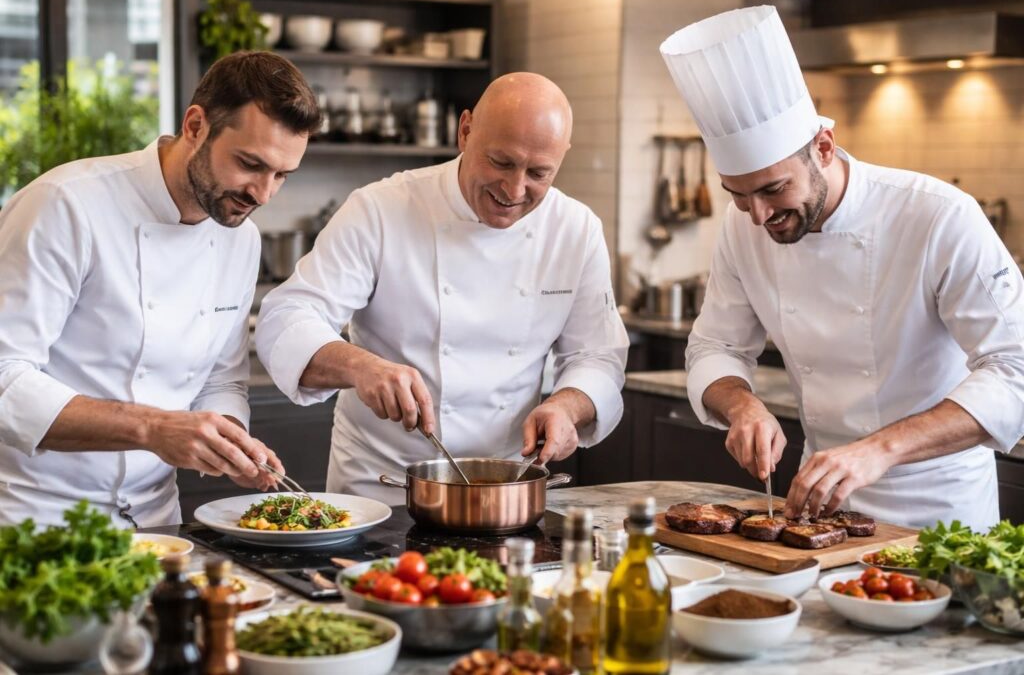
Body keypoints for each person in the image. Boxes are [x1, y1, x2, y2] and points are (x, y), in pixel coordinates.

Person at [659, 6, 1024, 530]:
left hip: (938, 511)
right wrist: (742, 407)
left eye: (773, 189)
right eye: (738, 196)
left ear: (823, 148)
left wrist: (879, 450)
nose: (759, 216)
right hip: (818, 508)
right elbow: (715, 346)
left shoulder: (937, 215)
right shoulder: (745, 226)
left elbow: (1014, 371)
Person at [256, 72, 629, 504]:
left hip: (504, 491)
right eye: (502, 162)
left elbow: (597, 356)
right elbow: (287, 318)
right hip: (383, 489)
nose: (514, 189)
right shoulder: (381, 209)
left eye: (539, 173)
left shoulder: (575, 229)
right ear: (465, 131)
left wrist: (567, 406)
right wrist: (361, 367)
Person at [0, 51, 323, 527]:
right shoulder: (65, 206)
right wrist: (153, 427)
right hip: (41, 516)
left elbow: (221, 378)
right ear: (195, 125)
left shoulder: (241, 238)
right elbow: (5, 377)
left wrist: (228, 438)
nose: (263, 194)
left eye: (281, 175)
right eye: (249, 164)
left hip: (157, 522)